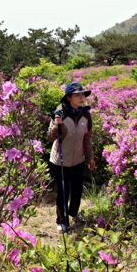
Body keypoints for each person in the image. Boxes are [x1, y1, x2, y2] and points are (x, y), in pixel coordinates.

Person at [47, 82, 96, 233]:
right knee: (63, 191)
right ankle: (62, 221)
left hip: (78, 160)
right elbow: (51, 137)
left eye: (83, 94)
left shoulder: (86, 115)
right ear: (69, 98)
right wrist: (57, 124)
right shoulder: (60, 113)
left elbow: (86, 139)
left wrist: (90, 158)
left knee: (77, 191)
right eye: (77, 95)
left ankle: (72, 213)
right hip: (60, 161)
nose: (81, 97)